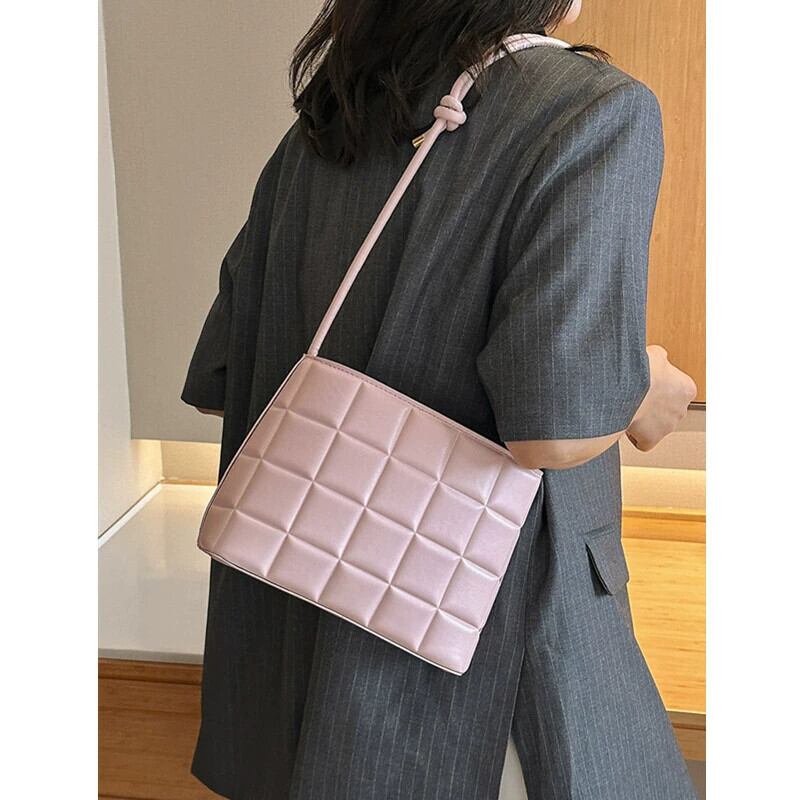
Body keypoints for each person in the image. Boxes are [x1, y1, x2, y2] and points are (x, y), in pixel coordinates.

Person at [181, 1, 698, 797]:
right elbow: (552, 429)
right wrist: (642, 387)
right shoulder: (590, 111)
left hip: (293, 657)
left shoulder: (331, 119)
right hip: (479, 682)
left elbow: (226, 374)